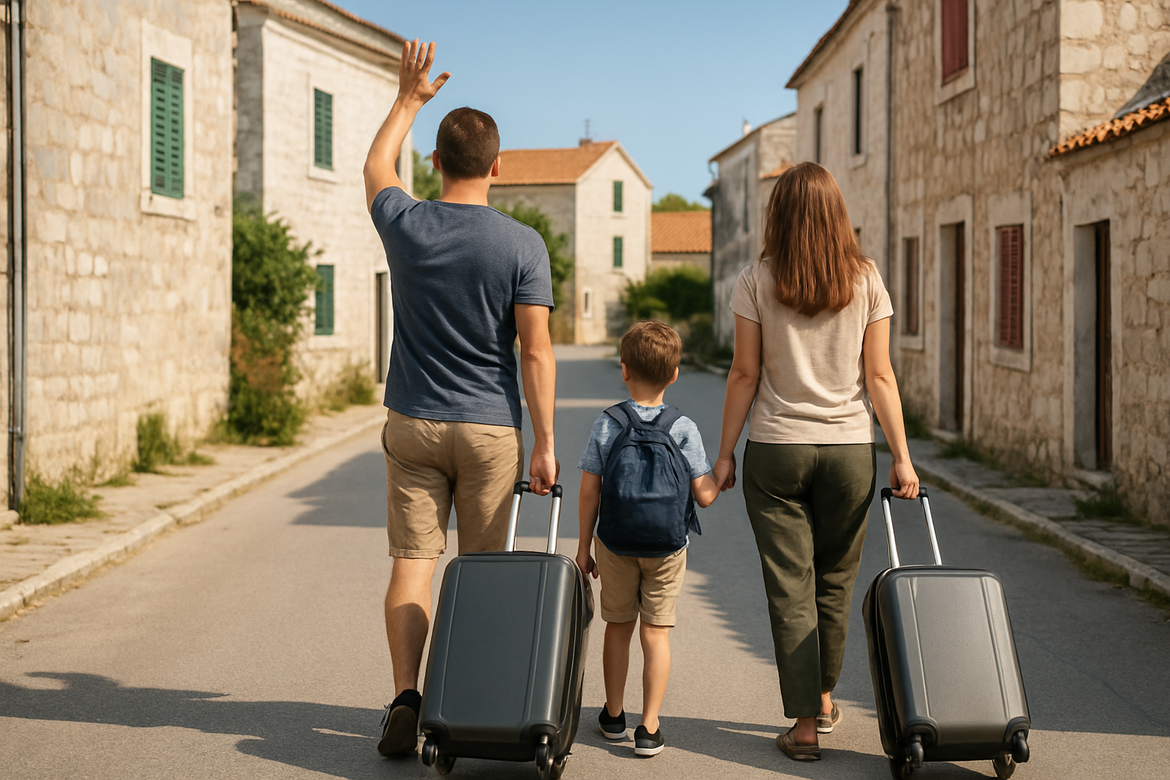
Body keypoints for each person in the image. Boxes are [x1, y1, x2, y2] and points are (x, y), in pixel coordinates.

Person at [363, 40, 559, 758]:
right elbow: (535, 351)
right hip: (488, 431)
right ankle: (466, 701)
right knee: (479, 577)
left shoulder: (407, 225)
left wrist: (409, 99)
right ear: (498, 167)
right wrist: (544, 441)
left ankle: (408, 694)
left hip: (413, 422)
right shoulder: (522, 245)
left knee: (411, 566)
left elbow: (376, 168)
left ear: (438, 163)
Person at [710, 162, 920, 762]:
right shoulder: (867, 279)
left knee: (789, 587)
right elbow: (879, 375)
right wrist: (901, 458)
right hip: (852, 450)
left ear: (778, 213)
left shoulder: (755, 279)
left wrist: (724, 456)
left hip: (776, 450)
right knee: (834, 581)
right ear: (837, 214)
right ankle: (823, 699)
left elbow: (744, 373)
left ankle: (805, 723)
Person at [575, 321, 721, 758]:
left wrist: (584, 547)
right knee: (656, 635)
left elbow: (589, 490)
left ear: (624, 370)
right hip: (667, 547)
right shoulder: (684, 428)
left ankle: (614, 716)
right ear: (675, 374)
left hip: (614, 544)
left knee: (617, 628)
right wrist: (723, 478)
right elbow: (705, 496)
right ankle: (649, 727)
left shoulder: (608, 422)